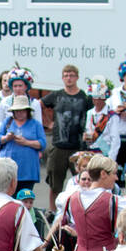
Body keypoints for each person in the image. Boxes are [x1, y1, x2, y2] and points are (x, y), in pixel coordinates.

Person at [43, 64, 92, 209]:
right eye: (66, 75)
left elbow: (92, 115)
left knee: (83, 180)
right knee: (55, 183)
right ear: (62, 78)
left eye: (71, 75)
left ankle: (81, 209)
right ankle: (53, 212)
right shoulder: (56, 95)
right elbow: (39, 105)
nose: (69, 78)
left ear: (77, 77)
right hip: (58, 145)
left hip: (78, 146)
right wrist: (47, 122)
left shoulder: (84, 97)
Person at [0, 97, 45, 191]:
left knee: (24, 198)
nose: (20, 113)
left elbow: (42, 144)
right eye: (17, 111)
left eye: (22, 111)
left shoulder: (35, 124)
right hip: (8, 170)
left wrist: (26, 142)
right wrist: (7, 138)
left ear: (27, 111)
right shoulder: (8, 122)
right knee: (8, 197)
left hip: (28, 170)